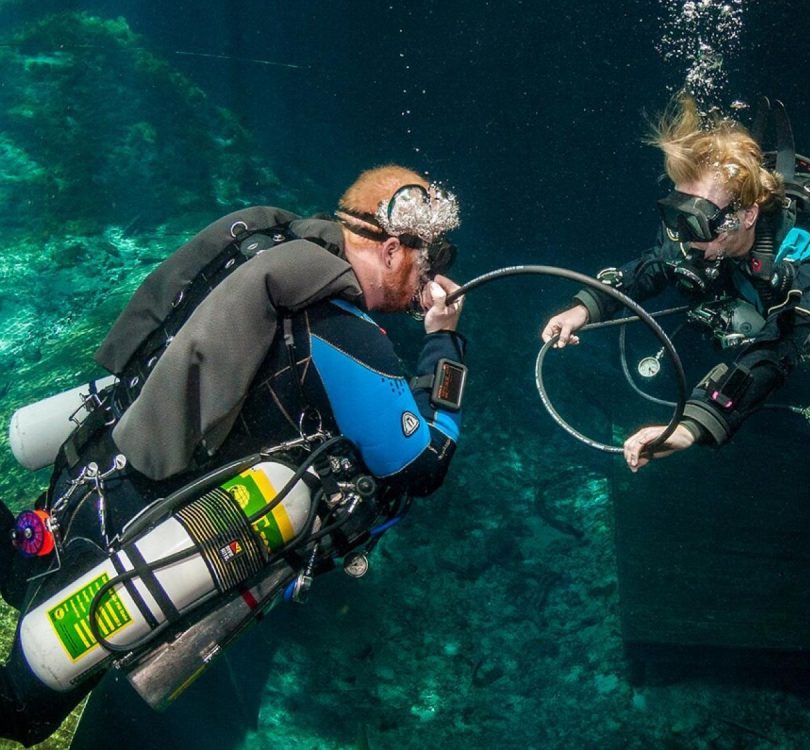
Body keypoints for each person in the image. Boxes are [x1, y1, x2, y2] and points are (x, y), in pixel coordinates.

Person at [0, 164, 467, 745]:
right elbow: (422, 466)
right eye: (428, 260)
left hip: (88, 480)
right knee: (19, 711)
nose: (430, 276)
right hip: (139, 550)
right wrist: (445, 344)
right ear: (393, 249)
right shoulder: (339, 329)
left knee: (22, 577)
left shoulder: (265, 246)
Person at [541, 95, 810, 471]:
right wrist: (582, 309)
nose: (684, 237)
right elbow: (651, 267)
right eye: (676, 213)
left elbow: (777, 347)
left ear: (747, 214)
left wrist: (691, 427)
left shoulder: (804, 258)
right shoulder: (698, 241)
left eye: (698, 220)